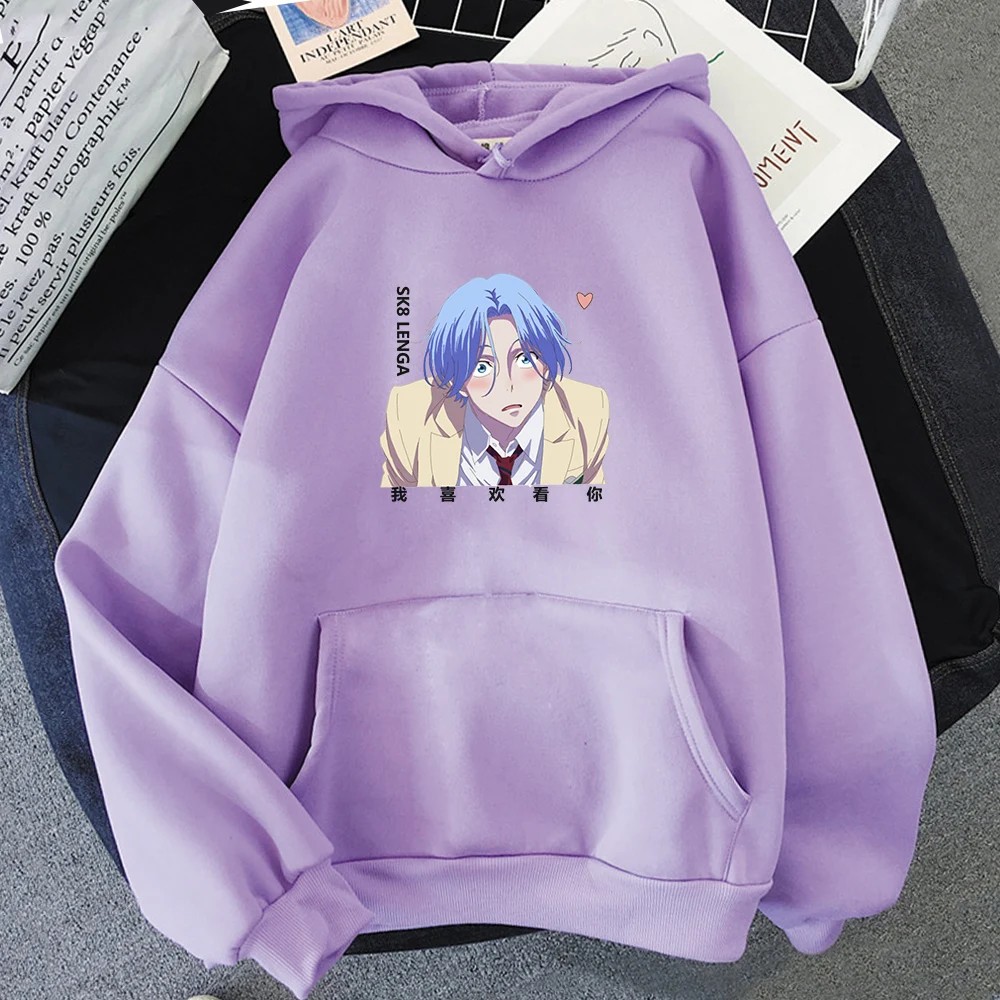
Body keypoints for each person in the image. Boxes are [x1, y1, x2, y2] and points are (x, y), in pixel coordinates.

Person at [380, 274, 610, 487]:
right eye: (482, 367)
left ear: (546, 364)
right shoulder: (410, 417)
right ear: (455, 380)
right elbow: (394, 509)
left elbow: (594, 505)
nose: (508, 386)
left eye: (524, 359)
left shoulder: (587, 413)